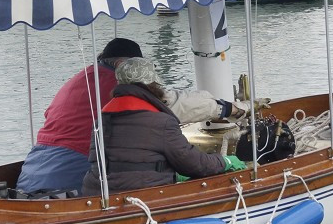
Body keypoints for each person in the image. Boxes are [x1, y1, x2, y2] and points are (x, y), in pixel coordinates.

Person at [16, 38, 246, 195]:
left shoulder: (81, 79)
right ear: (123, 65)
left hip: (33, 167)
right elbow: (178, 104)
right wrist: (228, 109)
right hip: (72, 168)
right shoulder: (117, 85)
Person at [82, 58, 246, 196]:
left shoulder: (101, 119)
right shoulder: (160, 121)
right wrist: (224, 161)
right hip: (144, 195)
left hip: (97, 192)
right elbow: (194, 164)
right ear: (152, 86)